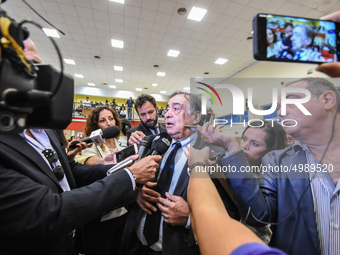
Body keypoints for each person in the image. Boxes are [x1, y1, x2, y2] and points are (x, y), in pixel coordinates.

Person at [0, 37, 162, 255]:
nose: (40, 76)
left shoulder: (43, 130)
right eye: (29, 66)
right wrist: (129, 177)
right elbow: (49, 210)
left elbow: (72, 171)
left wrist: (121, 168)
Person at [197, 78, 340, 255]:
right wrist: (232, 148)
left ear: (327, 100)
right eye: (278, 106)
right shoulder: (276, 161)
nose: (280, 111)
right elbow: (258, 215)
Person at [120, 92, 237, 255]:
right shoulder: (154, 142)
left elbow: (230, 215)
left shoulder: (215, 155)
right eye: (167, 109)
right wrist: (136, 193)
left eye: (176, 109)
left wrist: (190, 218)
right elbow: (131, 180)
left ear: (196, 117)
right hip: (136, 245)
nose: (167, 114)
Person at [184, 146, 287, 255]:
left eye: (255, 144)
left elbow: (208, 228)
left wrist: (197, 165)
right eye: (244, 138)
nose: (245, 146)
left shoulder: (267, 179)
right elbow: (240, 201)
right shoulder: (239, 171)